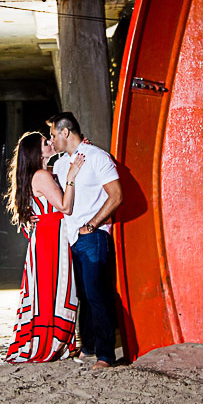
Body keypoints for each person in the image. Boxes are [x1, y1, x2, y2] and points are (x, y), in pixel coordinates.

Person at [47, 112, 123, 370]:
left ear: (65, 132)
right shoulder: (59, 164)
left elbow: (116, 196)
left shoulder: (98, 157)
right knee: (83, 296)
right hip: (70, 239)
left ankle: (105, 355)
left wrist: (92, 225)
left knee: (97, 294)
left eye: (53, 134)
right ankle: (89, 347)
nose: (52, 139)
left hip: (94, 237)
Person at [5, 131, 86, 363]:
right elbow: (64, 206)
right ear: (37, 152)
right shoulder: (41, 175)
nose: (50, 143)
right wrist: (71, 177)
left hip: (47, 236)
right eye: (45, 142)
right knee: (56, 287)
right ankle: (53, 341)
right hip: (52, 237)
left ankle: (57, 341)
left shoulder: (42, 173)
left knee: (51, 289)